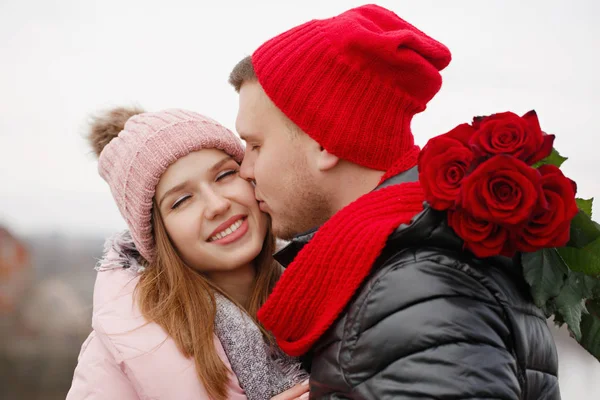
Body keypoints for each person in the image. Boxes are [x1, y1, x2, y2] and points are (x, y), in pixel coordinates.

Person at [229, 4, 560, 399]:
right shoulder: (405, 267)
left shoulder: (415, 290)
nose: (245, 169)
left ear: (324, 142)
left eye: (255, 145)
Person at [66, 108, 308, 400]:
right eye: (181, 200)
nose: (217, 204)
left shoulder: (324, 285)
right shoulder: (121, 348)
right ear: (158, 234)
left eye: (225, 175)